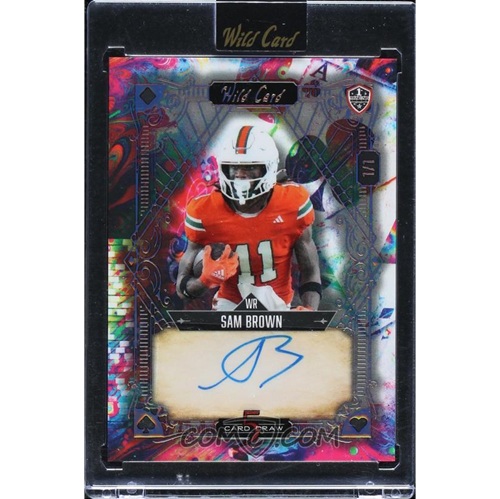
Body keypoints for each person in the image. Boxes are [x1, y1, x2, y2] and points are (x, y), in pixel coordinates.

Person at [176, 125, 321, 311]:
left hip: (279, 307)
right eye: (234, 167)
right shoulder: (203, 211)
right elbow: (182, 288)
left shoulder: (293, 203)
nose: (240, 175)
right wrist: (205, 280)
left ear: (269, 168)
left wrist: (310, 310)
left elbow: (310, 270)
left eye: (250, 167)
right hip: (228, 308)